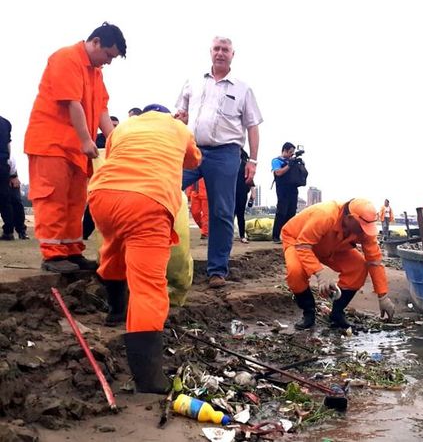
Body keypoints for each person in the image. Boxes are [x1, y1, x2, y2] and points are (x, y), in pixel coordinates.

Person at [88, 104, 200, 393]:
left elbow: (112, 155)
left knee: (113, 249)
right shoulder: (177, 127)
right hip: (148, 201)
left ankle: (115, 310)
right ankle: (148, 378)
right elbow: (193, 160)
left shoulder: (124, 127)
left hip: (102, 196)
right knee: (148, 287)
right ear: (168, 114)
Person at [24, 22, 126, 274]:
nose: (109, 62)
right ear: (96, 42)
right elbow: (73, 103)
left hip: (77, 150)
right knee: (53, 198)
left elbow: (102, 110)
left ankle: (71, 250)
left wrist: (115, 141)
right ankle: (53, 255)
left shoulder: (96, 71)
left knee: (75, 201)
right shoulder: (66, 58)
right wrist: (85, 140)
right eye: (109, 55)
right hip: (51, 144)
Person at [175, 36, 263, 288]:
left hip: (226, 154)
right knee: (165, 189)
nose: (220, 53)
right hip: (191, 149)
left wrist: (253, 160)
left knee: (222, 211)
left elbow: (253, 127)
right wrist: (179, 119)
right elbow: (180, 115)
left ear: (233, 54)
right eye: (217, 49)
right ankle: (159, 256)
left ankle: (217, 270)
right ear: (210, 52)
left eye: (225, 49)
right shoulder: (192, 82)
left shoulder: (242, 89)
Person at [282, 198, 396, 330]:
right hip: (298, 240)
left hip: (332, 246)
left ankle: (336, 314)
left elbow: (374, 262)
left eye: (367, 228)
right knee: (295, 272)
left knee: (358, 267)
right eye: (361, 227)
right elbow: (303, 246)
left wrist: (383, 296)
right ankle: (308, 313)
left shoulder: (363, 231)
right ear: (349, 218)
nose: (364, 232)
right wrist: (319, 272)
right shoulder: (325, 215)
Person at [271, 142, 299, 244]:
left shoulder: (292, 161)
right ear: (285, 150)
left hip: (293, 189)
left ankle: (288, 236)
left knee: (291, 212)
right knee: (281, 212)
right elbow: (278, 172)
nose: (292, 154)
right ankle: (275, 236)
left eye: (293, 153)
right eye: (290, 152)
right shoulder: (276, 160)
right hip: (282, 189)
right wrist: (289, 165)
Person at [1, 155, 29, 240]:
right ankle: (8, 232)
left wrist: (13, 176)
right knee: (4, 203)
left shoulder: (4, 152)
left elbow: (10, 159)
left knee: (16, 202)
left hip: (9, 173)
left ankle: (21, 231)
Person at [235, 149, 254, 243]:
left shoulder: (245, 164)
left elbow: (251, 181)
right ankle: (227, 236)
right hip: (230, 192)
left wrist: (252, 195)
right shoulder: (228, 163)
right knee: (229, 215)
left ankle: (242, 236)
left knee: (240, 215)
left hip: (242, 192)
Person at [0, 116, 13, 238]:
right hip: (2, 163)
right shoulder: (5, 122)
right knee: (4, 198)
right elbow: (9, 147)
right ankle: (8, 230)